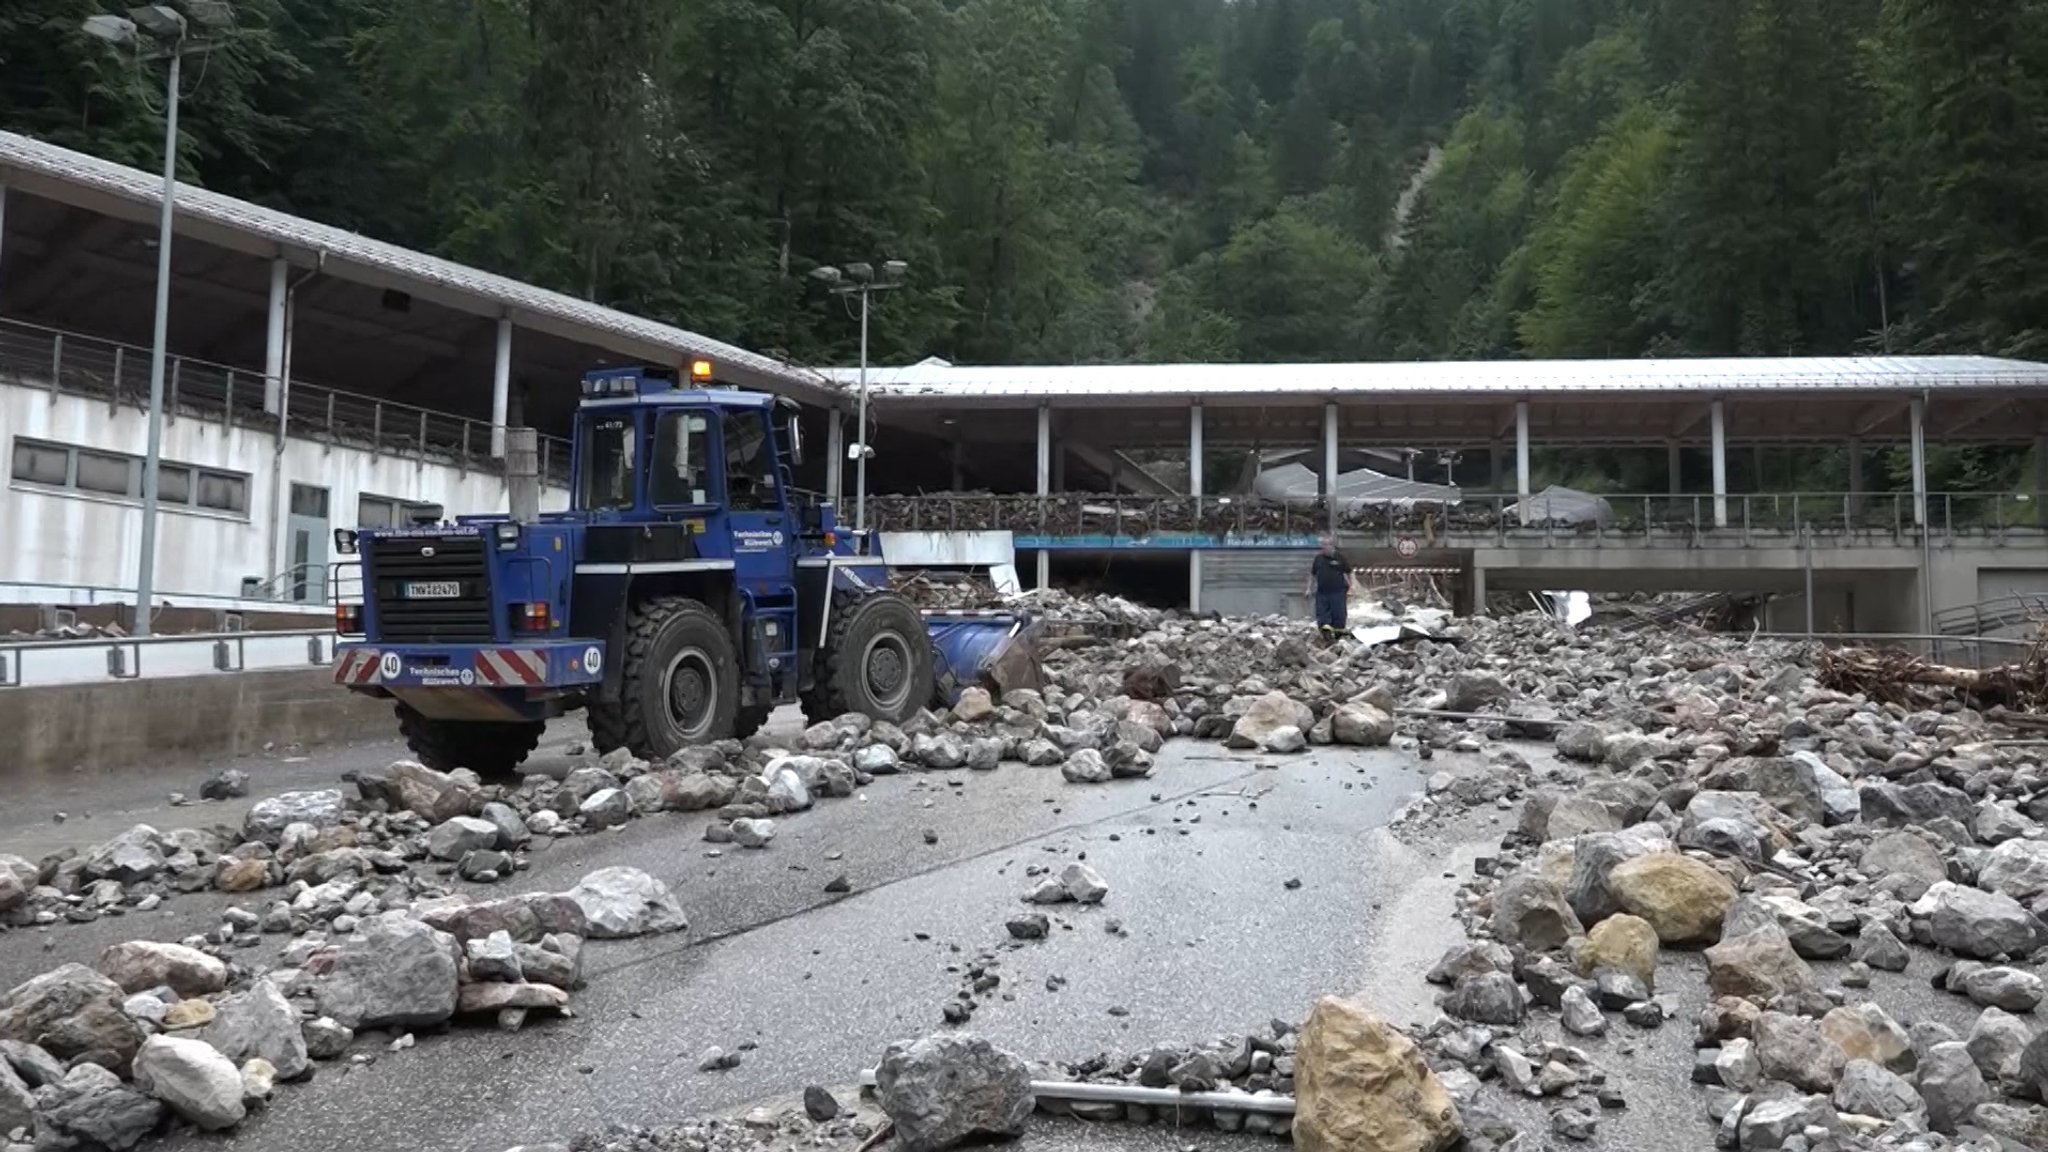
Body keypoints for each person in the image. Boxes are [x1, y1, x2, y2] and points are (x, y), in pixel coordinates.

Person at [1305, 536, 1359, 640]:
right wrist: (1308, 589)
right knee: (1322, 615)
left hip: (1338, 592)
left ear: (1332, 546)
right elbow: (1312, 574)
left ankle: (1338, 637)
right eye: (1323, 545)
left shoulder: (1340, 558)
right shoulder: (1318, 559)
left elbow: (1350, 572)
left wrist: (1353, 586)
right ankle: (1326, 635)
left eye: (1326, 545)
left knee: (1338, 615)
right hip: (1322, 593)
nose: (1324, 547)